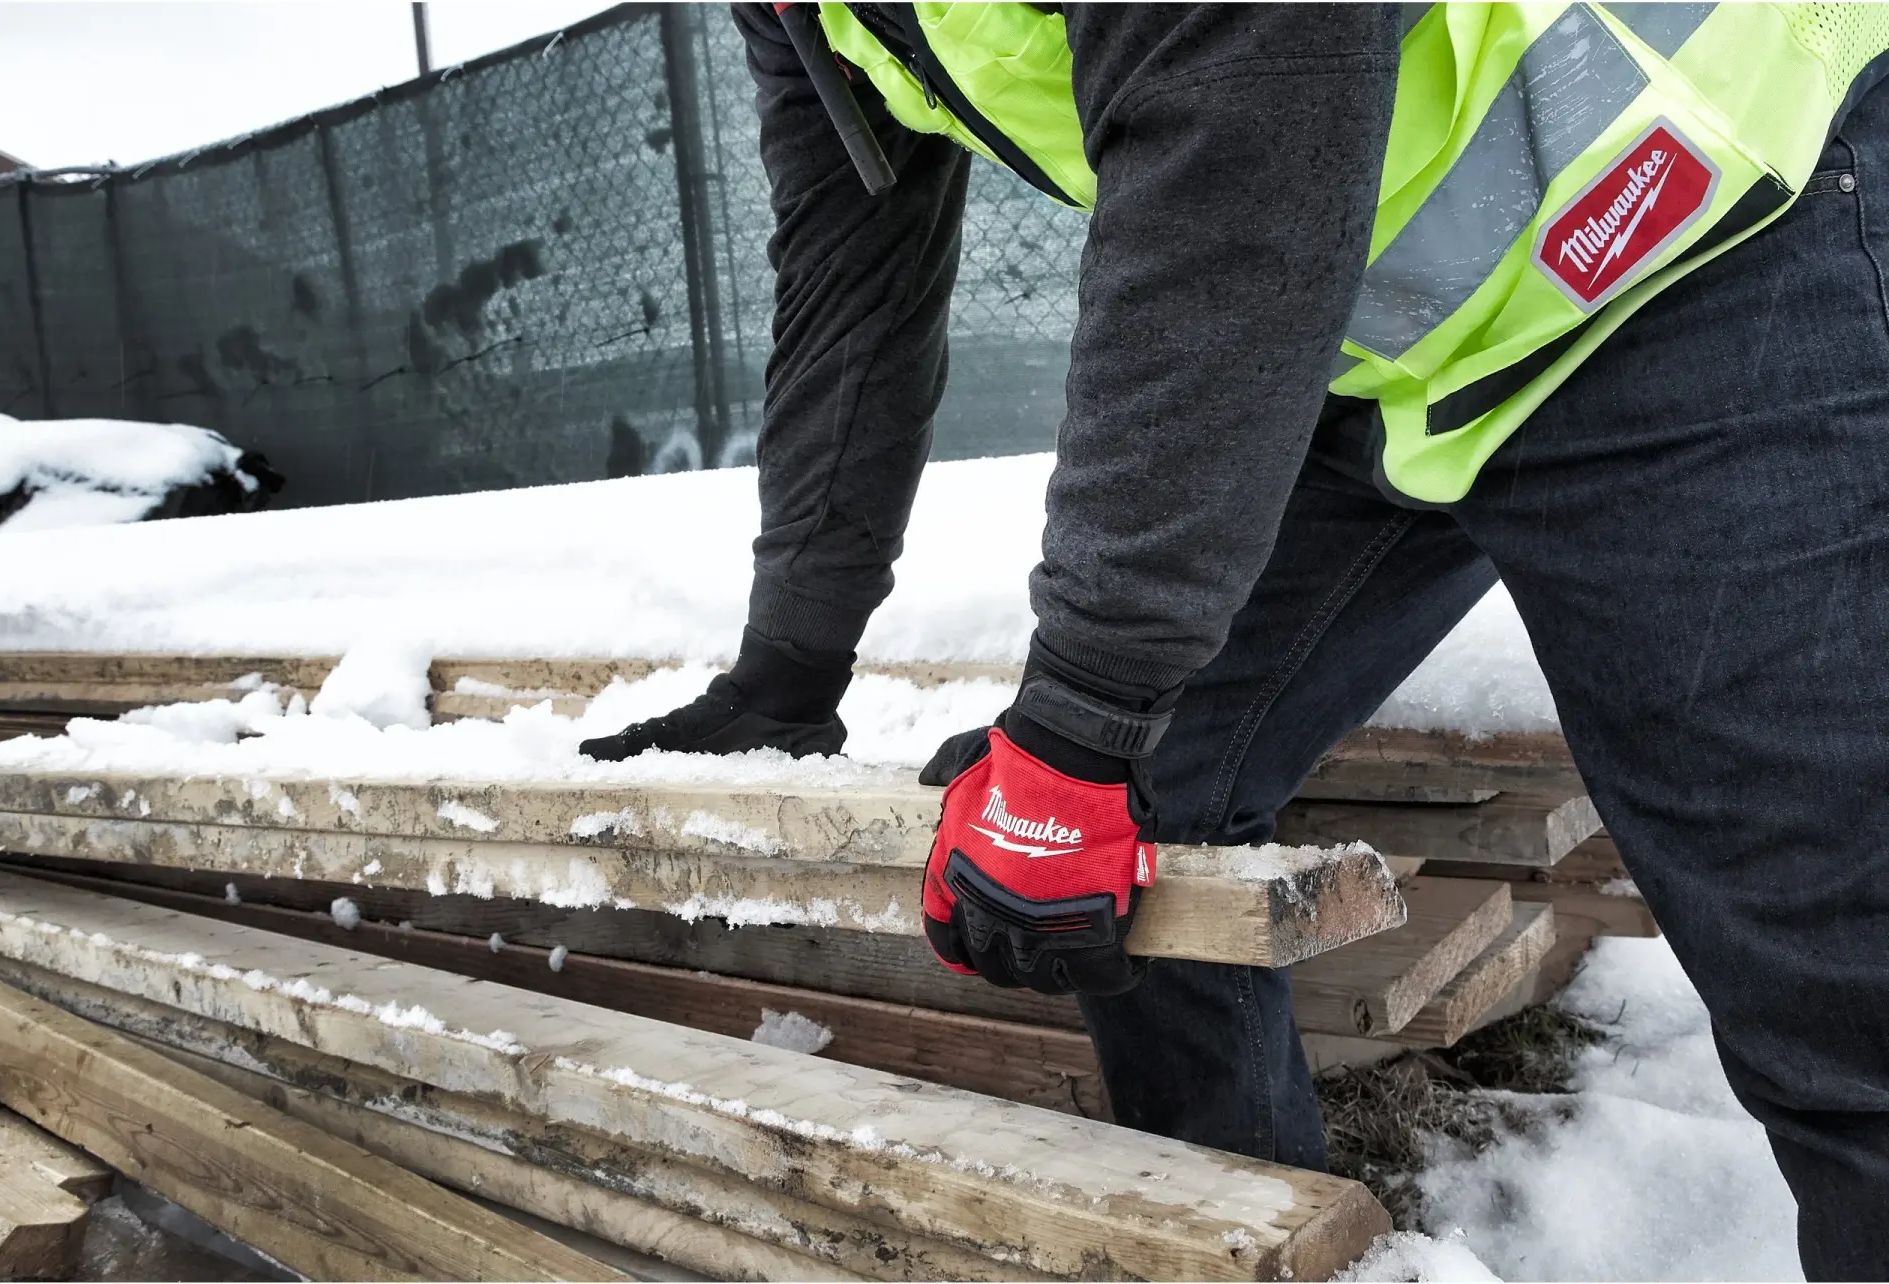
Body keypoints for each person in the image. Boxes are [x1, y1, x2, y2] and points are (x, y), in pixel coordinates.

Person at [581, 5, 1889, 1274]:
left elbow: (1249, 108)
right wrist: (791, 669)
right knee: (1143, 805)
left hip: (1693, 220)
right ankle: (1255, 1247)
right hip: (1372, 343)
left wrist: (1086, 706)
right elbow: (849, 287)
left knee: (1840, 990)